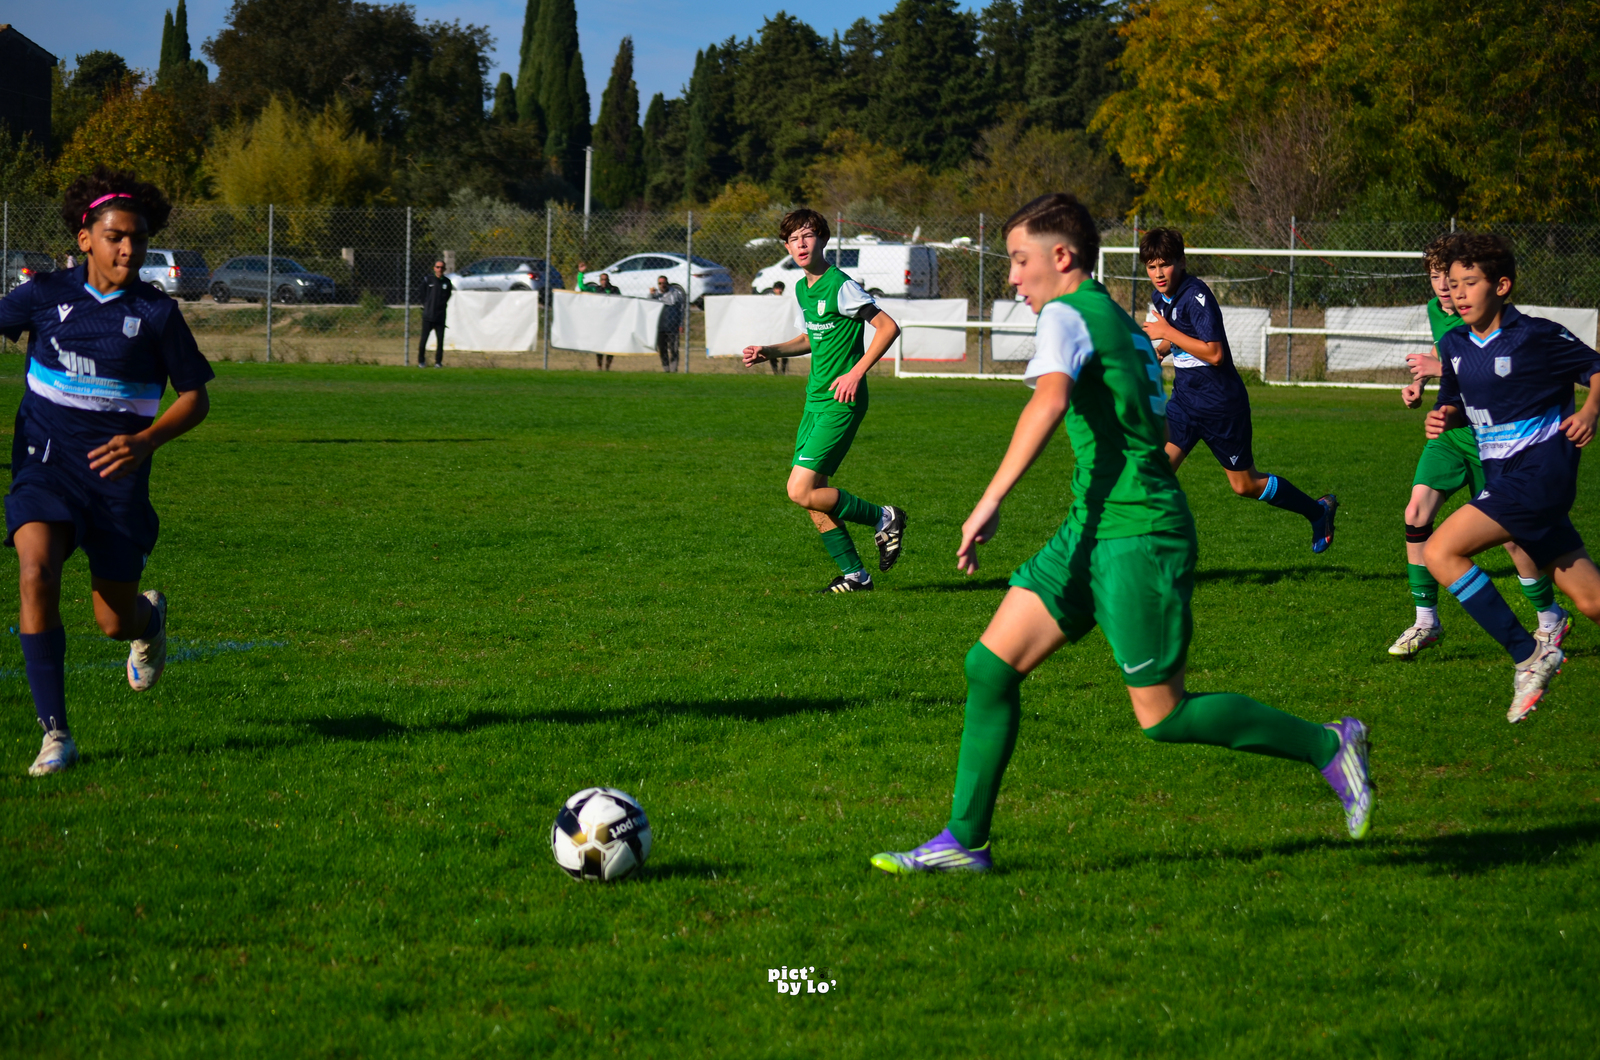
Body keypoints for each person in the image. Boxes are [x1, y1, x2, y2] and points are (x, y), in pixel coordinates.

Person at [870, 194, 1372, 874]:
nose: (1012, 278)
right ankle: (965, 842)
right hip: (1091, 526)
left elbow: (1050, 400)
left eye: (1018, 260)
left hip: (1137, 533)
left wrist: (990, 500)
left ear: (1061, 256)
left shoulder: (1068, 312)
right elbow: (1135, 420)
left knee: (1163, 716)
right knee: (989, 667)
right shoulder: (1121, 322)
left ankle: (1328, 745)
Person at [0, 167, 214, 777]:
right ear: (85, 238)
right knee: (35, 572)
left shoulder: (157, 314)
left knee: (114, 620)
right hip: (45, 467)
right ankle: (55, 734)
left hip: (117, 485)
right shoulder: (44, 295)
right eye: (115, 236)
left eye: (138, 239)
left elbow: (195, 399)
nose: (128, 249)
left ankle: (150, 620)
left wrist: (144, 441)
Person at [1425, 233, 1600, 723]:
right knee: (1591, 601)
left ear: (1501, 286)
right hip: (1504, 478)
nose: (1457, 293)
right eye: (1452, 283)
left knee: (1440, 551)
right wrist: (1443, 417)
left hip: (1539, 475)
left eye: (1470, 282)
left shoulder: (1536, 336)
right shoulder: (1454, 344)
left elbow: (1596, 368)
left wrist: (1590, 411)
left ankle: (1530, 655)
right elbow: (1456, 402)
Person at [1390, 234, 1563, 656]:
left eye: (1450, 278)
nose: (1443, 287)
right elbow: (1446, 357)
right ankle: (1426, 621)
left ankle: (1550, 618)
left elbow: (1492, 361)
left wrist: (1438, 366)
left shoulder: (1488, 313)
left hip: (1494, 439)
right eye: (1436, 277)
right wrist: (1420, 383)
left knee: (1513, 539)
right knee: (1415, 513)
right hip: (1451, 435)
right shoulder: (1436, 310)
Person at [1140, 228, 1339, 552]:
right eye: (1152, 266)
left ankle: (1318, 511)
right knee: (1153, 473)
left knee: (1244, 485)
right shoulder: (1160, 298)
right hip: (1185, 403)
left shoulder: (1197, 296)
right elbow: (1180, 334)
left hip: (1221, 407)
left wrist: (1167, 333)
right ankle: (1151, 555)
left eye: (1165, 264)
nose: (1159, 273)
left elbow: (1215, 353)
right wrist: (1162, 348)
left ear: (1182, 261)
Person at [742, 209, 907, 592]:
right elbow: (809, 338)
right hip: (814, 401)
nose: (800, 244)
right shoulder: (803, 288)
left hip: (841, 402)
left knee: (799, 489)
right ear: (786, 247)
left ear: (823, 240)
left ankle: (884, 517)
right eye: (793, 239)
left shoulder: (840, 285)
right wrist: (770, 351)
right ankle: (855, 576)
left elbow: (888, 327)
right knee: (813, 496)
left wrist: (856, 372)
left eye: (808, 235)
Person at [418, 260, 452, 367]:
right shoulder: (428, 280)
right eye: (437, 267)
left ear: (444, 269)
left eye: (442, 267)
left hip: (440, 317)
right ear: (434, 268)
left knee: (440, 341)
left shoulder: (447, 282)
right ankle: (421, 361)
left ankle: (438, 362)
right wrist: (427, 305)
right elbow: (422, 293)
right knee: (424, 340)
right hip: (428, 316)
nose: (439, 269)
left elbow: (447, 296)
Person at [649, 275, 684, 373]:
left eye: (664, 283)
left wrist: (681, 324)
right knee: (662, 348)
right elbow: (648, 305)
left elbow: (681, 310)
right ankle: (666, 368)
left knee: (674, 349)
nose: (662, 285)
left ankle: (673, 368)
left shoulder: (675, 294)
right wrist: (651, 295)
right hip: (660, 327)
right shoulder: (656, 295)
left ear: (667, 283)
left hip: (673, 326)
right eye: (660, 283)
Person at [587, 272, 620, 370]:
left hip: (612, 320)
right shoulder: (596, 289)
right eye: (602, 280)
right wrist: (581, 273)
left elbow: (621, 301)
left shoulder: (614, 289)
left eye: (606, 280)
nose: (604, 282)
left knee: (611, 345)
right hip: (600, 321)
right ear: (599, 281)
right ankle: (599, 366)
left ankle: (608, 366)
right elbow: (582, 287)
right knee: (600, 345)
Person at [768, 280, 789, 375]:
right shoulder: (770, 300)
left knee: (785, 349)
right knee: (772, 349)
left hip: (783, 327)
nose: (779, 290)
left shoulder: (786, 300)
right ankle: (775, 371)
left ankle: (783, 370)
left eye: (781, 289)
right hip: (773, 328)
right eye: (777, 288)